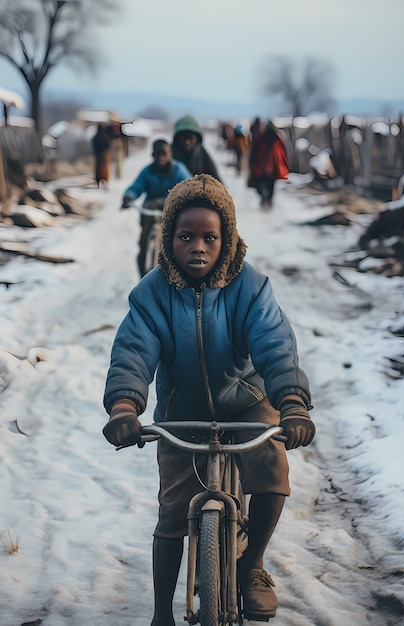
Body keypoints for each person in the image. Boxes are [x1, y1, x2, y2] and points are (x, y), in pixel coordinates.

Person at [102, 174, 316, 626]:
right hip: (183, 414)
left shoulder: (251, 289)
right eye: (185, 236)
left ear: (228, 239)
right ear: (168, 239)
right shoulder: (151, 295)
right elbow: (134, 351)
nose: (197, 247)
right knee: (173, 512)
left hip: (247, 401)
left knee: (271, 465)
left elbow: (275, 345)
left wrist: (292, 401)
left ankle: (251, 564)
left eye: (209, 237)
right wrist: (124, 406)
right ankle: (162, 611)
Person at [121, 139, 192, 276]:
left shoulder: (178, 170)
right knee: (143, 245)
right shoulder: (147, 172)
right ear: (152, 155)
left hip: (172, 214)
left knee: (179, 246)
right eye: (157, 154)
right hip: (150, 212)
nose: (160, 158)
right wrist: (128, 197)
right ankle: (143, 279)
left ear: (170, 154)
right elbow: (136, 187)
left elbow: (189, 185)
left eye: (164, 154)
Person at [248, 119, 289, 208]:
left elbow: (256, 154)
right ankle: (267, 203)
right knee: (269, 189)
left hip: (265, 168)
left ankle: (266, 204)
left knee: (265, 187)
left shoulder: (265, 139)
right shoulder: (277, 138)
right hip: (272, 168)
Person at [172, 115, 222, 182]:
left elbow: (217, 182)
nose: (187, 142)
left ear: (197, 139)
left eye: (190, 138)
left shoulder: (202, 155)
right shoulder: (168, 154)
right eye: (183, 138)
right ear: (177, 139)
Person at [91, 123, 112, 188]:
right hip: (104, 155)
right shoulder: (105, 136)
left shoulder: (95, 137)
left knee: (98, 169)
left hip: (98, 155)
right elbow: (108, 145)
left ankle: (98, 182)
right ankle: (105, 182)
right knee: (104, 168)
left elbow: (94, 146)